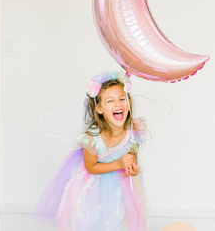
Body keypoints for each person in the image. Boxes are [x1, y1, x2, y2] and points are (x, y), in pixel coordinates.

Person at [32, 70, 148, 231]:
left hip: (118, 189)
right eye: (110, 100)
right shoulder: (92, 139)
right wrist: (119, 163)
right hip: (93, 187)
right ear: (99, 109)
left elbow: (131, 161)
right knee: (92, 221)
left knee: (116, 221)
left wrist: (132, 168)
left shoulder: (132, 135)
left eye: (123, 98)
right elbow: (91, 167)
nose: (118, 104)